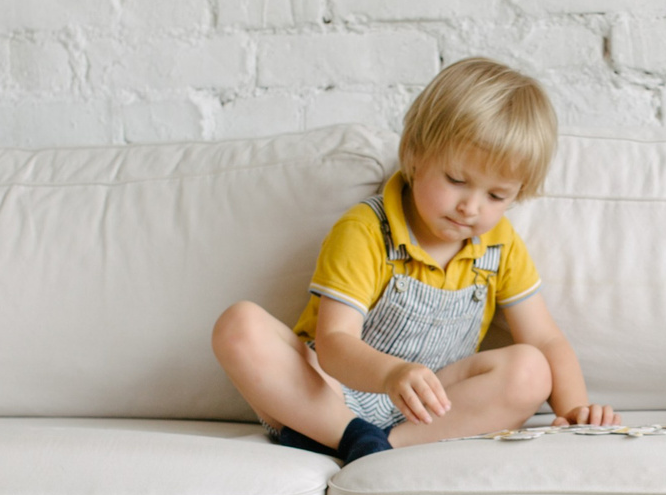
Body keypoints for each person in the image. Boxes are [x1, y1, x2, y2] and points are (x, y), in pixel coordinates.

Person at [211, 57, 615, 463]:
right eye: (456, 180)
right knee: (239, 326)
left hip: (428, 407)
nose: (470, 207)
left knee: (533, 368)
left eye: (497, 196)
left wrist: (574, 411)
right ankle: (344, 433)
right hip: (329, 390)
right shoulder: (367, 229)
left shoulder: (499, 244)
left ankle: (378, 450)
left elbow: (545, 339)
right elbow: (335, 344)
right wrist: (390, 375)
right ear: (416, 154)